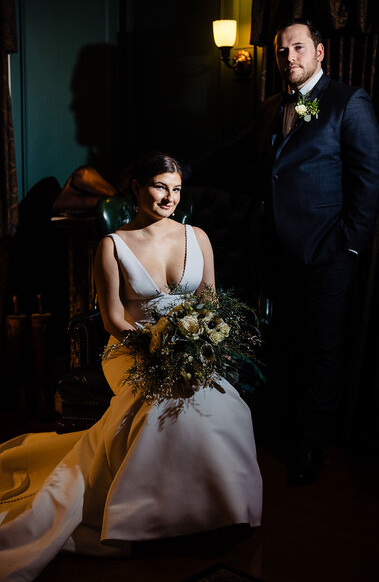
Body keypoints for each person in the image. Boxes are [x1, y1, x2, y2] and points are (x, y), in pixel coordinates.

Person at [0, 152, 262, 581]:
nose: (169, 197)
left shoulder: (198, 237)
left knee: (227, 407)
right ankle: (144, 520)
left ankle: (214, 511)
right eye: (160, 186)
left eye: (176, 189)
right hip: (131, 351)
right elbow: (113, 319)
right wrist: (152, 344)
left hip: (191, 348)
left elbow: (212, 303)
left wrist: (205, 340)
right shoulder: (112, 244)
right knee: (157, 407)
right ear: (137, 188)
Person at [191, 19, 379, 486]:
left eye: (298, 48)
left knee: (322, 350)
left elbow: (370, 176)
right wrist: (184, 169)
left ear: (320, 52)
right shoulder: (271, 106)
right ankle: (281, 431)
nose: (289, 57)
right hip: (274, 252)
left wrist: (349, 246)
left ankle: (311, 448)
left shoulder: (348, 102)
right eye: (281, 51)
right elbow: (238, 153)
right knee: (286, 344)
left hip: (327, 255)